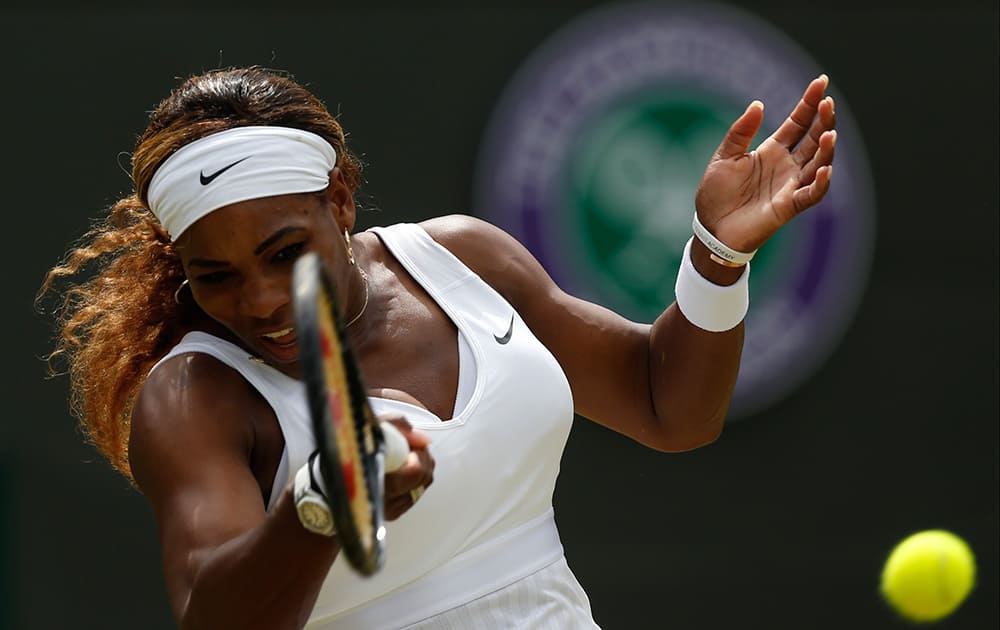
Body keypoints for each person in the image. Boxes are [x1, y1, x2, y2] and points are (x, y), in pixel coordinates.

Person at [40, 66, 836, 629]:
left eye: (286, 253)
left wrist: (716, 257)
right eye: (214, 276)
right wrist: (319, 504)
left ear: (340, 201)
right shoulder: (192, 399)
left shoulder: (462, 258)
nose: (258, 300)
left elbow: (668, 408)